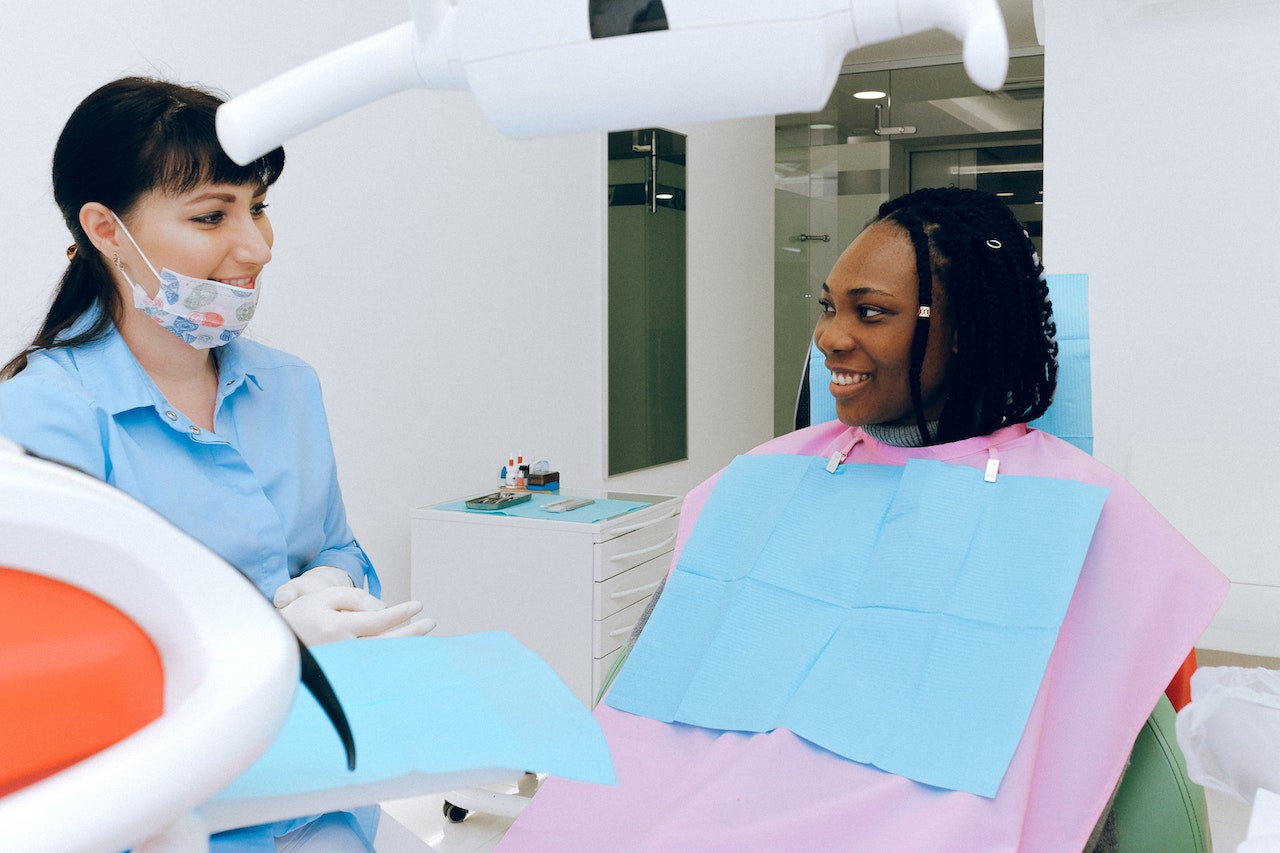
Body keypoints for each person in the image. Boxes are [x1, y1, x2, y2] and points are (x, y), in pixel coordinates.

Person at [496, 188, 1229, 852]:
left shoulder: (1073, 510)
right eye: (829, 306)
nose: (829, 337)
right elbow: (656, 675)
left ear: (965, 328)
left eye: (869, 312)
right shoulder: (769, 479)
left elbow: (1126, 737)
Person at [0, 76, 434, 852]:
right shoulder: (40, 421)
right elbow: (57, 688)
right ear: (104, 228)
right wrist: (268, 643)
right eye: (211, 215)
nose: (257, 247)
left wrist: (336, 586)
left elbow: (334, 548)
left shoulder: (288, 388)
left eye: (258, 206)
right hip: (168, 820)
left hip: (324, 794)